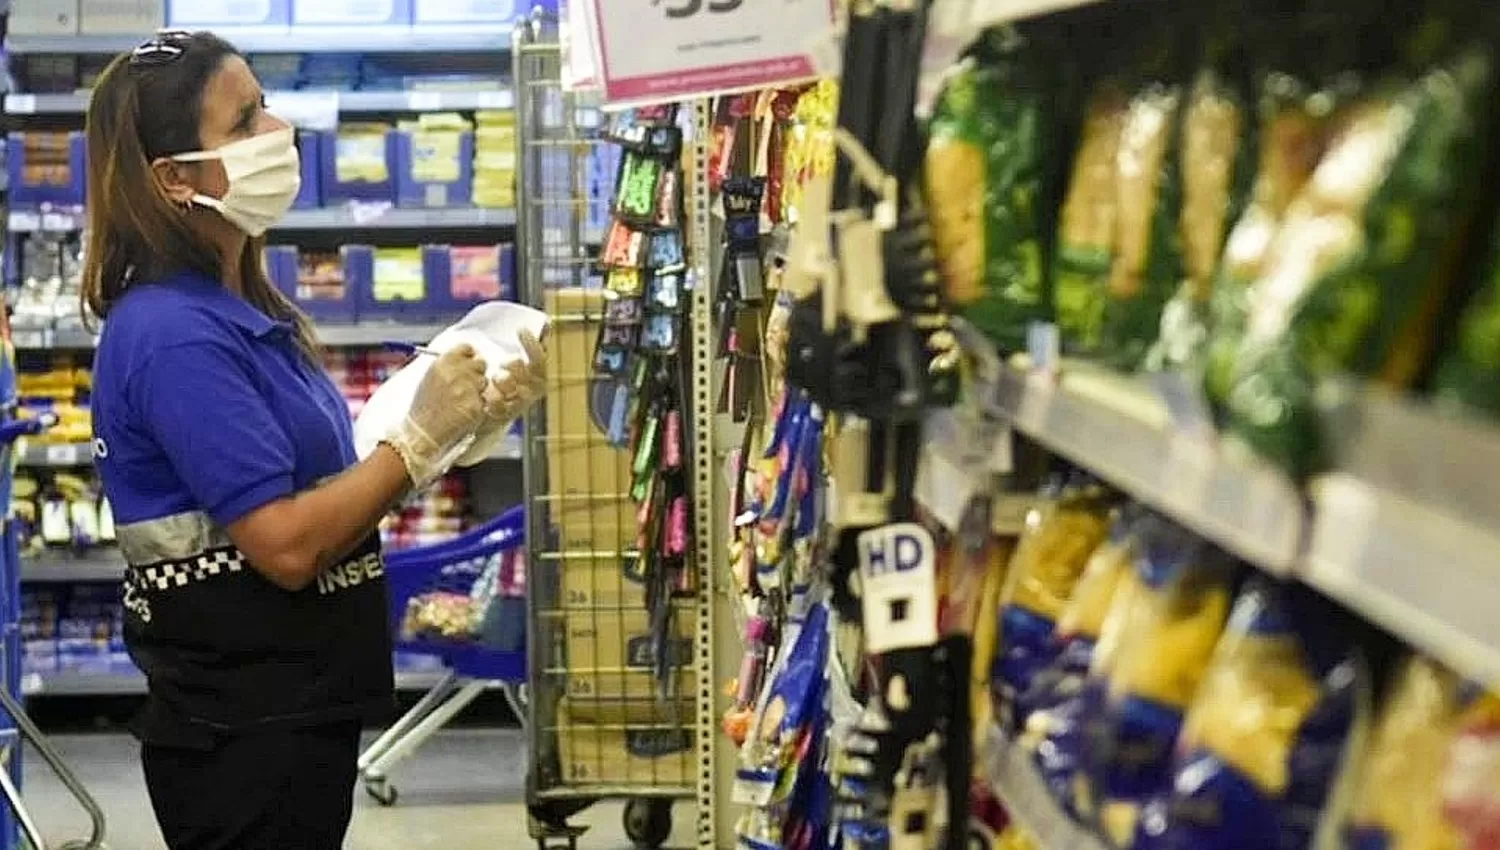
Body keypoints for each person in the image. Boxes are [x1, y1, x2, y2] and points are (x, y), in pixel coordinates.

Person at [81, 30, 545, 850]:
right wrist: (417, 441)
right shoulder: (174, 334)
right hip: (239, 727)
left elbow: (324, 475)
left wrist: (454, 415)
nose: (277, 128)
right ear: (175, 178)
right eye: (245, 117)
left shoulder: (241, 308)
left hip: (288, 707)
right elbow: (289, 545)